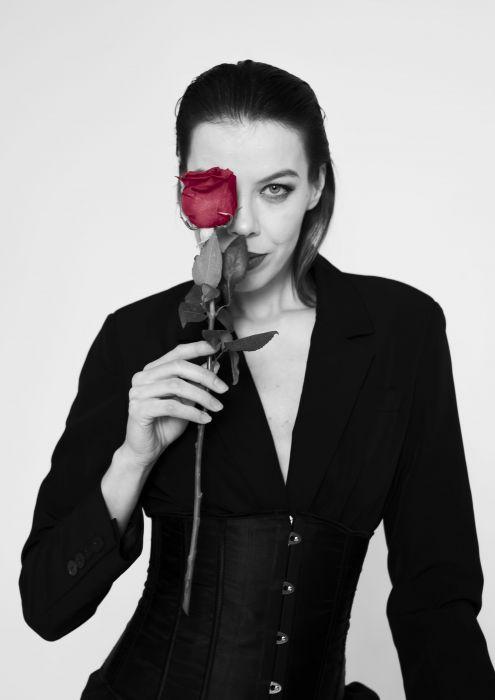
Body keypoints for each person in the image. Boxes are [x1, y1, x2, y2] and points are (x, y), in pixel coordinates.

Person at [18, 59, 495, 700]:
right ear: (183, 193)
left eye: (275, 189)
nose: (242, 223)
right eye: (216, 188)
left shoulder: (400, 333)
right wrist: (133, 458)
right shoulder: (137, 339)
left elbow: (437, 595)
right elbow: (46, 606)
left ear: (316, 185)